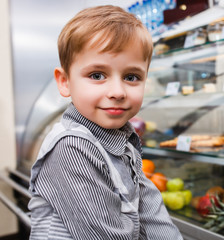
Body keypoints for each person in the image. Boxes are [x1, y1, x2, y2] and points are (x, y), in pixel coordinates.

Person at [28, 5, 183, 239]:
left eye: (131, 77)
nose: (117, 91)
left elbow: (151, 210)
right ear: (65, 82)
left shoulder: (123, 141)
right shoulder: (71, 148)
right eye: (97, 75)